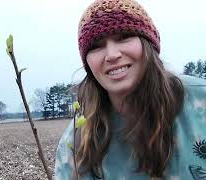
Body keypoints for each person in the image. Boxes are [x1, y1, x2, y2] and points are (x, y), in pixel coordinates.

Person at [55, 0, 206, 179]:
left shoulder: (201, 104)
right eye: (97, 46)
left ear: (148, 44)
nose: (112, 55)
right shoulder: (77, 145)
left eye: (123, 37)